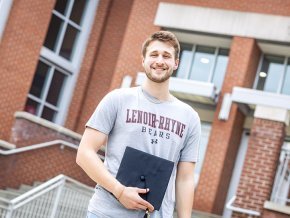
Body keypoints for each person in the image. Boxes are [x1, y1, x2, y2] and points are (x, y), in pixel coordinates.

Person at [76, 31, 201, 218]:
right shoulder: (117, 99)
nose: (159, 60)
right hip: (107, 213)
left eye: (166, 56)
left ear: (176, 63)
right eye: (154, 55)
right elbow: (84, 153)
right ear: (143, 60)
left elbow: (184, 178)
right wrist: (119, 190)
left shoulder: (190, 117)